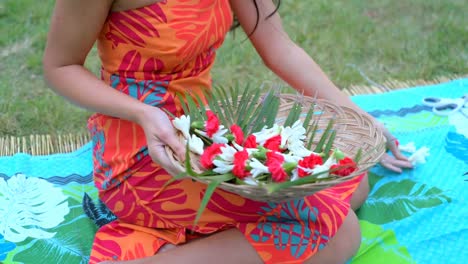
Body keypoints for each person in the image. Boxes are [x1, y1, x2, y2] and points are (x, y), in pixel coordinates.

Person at [43, 0, 413, 263]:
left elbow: (279, 46)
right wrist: (143, 113)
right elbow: (60, 66)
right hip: (141, 156)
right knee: (340, 231)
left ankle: (199, 244)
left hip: (205, 138)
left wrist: (361, 119)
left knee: (351, 178)